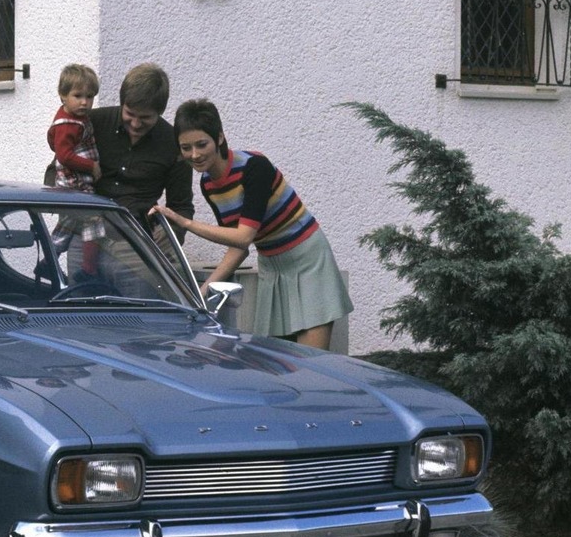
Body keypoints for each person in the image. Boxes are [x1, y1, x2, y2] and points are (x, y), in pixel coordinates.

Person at [150, 99, 352, 350]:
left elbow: (244, 236)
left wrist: (185, 223)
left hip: (308, 260)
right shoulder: (208, 184)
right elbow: (237, 246)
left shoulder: (255, 167)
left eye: (202, 144)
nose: (195, 155)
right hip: (271, 265)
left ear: (220, 138)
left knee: (312, 360)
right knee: (277, 360)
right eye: (186, 147)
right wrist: (203, 291)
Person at [88, 63, 193, 238]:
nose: (136, 124)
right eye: (130, 114)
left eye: (145, 117)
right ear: (122, 103)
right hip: (85, 233)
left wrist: (167, 240)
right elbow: (57, 169)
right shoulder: (93, 123)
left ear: (160, 112)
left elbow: (181, 207)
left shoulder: (173, 143)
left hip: (138, 240)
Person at [46, 64, 103, 275]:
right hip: (74, 183)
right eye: (77, 96)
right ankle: (89, 268)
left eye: (89, 97)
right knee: (93, 220)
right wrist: (92, 166)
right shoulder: (66, 125)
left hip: (77, 181)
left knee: (67, 225)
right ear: (62, 95)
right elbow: (64, 155)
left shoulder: (78, 118)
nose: (84, 102)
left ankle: (48, 262)